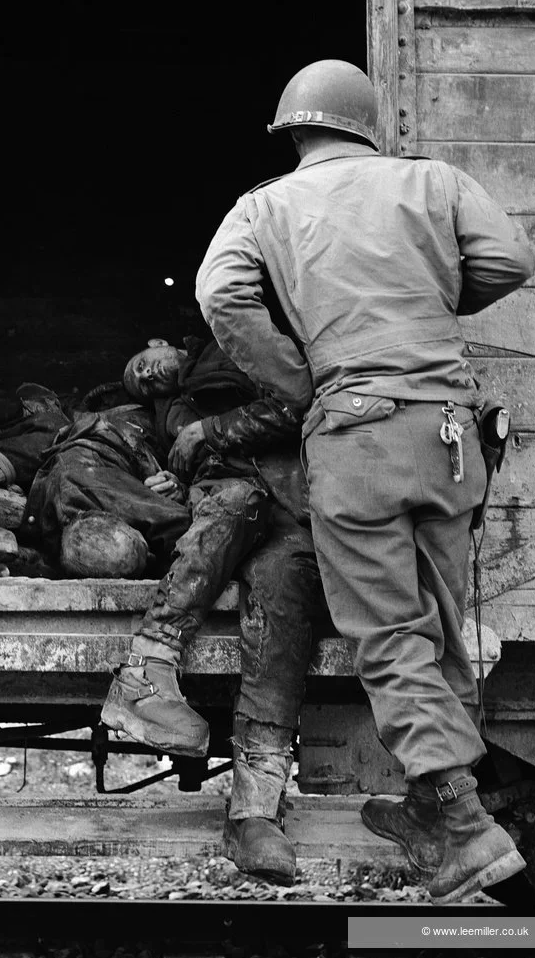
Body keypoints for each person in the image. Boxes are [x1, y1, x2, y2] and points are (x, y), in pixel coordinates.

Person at [195, 59, 535, 903]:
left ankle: (463, 824)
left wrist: (303, 376)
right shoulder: (435, 182)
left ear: (295, 130)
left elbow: (221, 294)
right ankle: (431, 801)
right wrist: (428, 296)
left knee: (388, 635)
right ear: (366, 125)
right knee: (441, 624)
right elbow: (512, 259)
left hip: (359, 439)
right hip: (450, 436)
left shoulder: (265, 206)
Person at [64, 335, 326, 884]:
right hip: (232, 500)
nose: (149, 377)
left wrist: (208, 431)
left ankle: (255, 809)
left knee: (285, 590)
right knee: (233, 503)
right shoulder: (167, 414)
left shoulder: (227, 347)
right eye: (142, 383)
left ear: (163, 342)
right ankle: (144, 675)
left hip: (292, 505)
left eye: (147, 365)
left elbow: (297, 401)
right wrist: (169, 478)